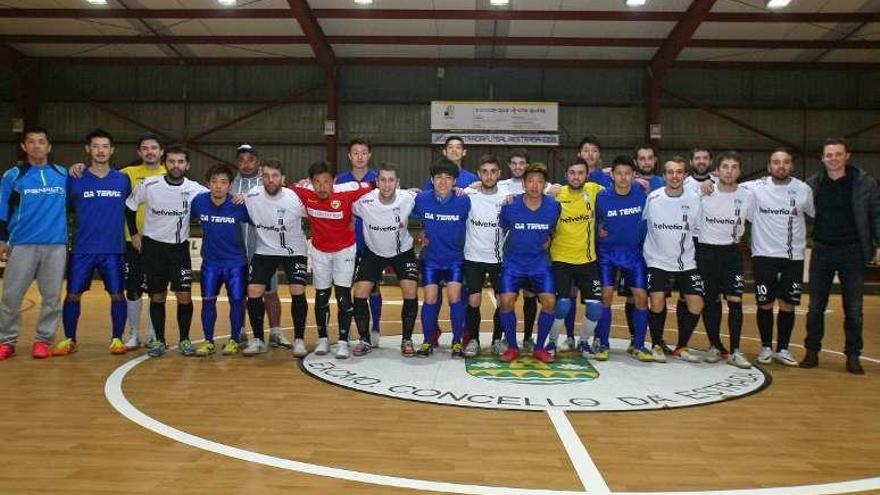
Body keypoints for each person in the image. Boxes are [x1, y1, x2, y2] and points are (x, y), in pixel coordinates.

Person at [801, 138, 880, 374]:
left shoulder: (864, 182)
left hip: (853, 251)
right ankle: (812, 351)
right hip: (822, 250)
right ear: (822, 158)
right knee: (815, 307)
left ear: (847, 156)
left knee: (854, 309)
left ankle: (853, 355)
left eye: (838, 154)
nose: (833, 158)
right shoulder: (813, 184)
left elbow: (876, 214)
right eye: (829, 155)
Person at [53, 129, 130, 357]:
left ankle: (117, 339)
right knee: (73, 294)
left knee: (117, 294)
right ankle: (70, 339)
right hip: (82, 249)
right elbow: (63, 209)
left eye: (105, 146)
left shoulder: (122, 180)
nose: (100, 151)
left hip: (113, 250)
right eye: (95, 146)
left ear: (112, 150)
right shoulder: (74, 178)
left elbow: (133, 208)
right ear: (88, 149)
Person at [125, 146, 208, 358]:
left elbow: (218, 196)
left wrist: (240, 198)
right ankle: (159, 341)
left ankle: (184, 339)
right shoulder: (150, 185)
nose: (176, 165)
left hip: (179, 249)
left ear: (187, 165)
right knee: (158, 296)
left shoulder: (195, 188)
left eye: (180, 162)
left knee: (184, 296)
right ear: (166, 163)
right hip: (154, 248)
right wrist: (134, 234)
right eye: (171, 161)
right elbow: (130, 207)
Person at [739, 149, 814, 366]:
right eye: (776, 162)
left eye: (786, 162)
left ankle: (782, 348)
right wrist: (707, 184)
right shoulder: (755, 188)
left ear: (792, 165)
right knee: (765, 303)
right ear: (769, 166)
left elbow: (816, 213)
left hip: (793, 257)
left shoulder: (803, 190)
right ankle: (765, 347)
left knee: (788, 304)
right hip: (764, 256)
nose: (781, 166)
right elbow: (727, 185)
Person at [291, 161, 372, 359]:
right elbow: (283, 188)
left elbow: (375, 185)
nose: (321, 187)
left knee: (343, 296)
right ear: (310, 182)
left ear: (333, 181)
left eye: (326, 182)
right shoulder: (303, 190)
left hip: (344, 250)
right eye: (316, 182)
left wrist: (408, 191)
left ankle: (343, 342)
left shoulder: (347, 190)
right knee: (321, 296)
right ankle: (323, 339)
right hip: (319, 251)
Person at [0, 127, 68, 360]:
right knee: (11, 296)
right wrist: (1, 240)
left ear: (49, 147)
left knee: (52, 298)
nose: (37, 146)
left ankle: (43, 340)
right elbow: (2, 209)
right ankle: (6, 341)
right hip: (21, 244)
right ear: (24, 147)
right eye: (32, 142)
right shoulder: (13, 176)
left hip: (55, 246)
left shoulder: (62, 174)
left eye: (41, 142)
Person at [351, 163, 420, 356]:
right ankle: (365, 339)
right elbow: (342, 205)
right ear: (376, 182)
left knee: (410, 290)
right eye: (383, 180)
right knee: (360, 292)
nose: (387, 184)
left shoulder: (408, 198)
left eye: (391, 180)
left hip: (402, 251)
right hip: (374, 252)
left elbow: (435, 197)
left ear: (398, 183)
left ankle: (406, 340)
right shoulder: (364, 202)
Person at [496, 163, 560, 363]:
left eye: (540, 181)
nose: (535, 185)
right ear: (523, 184)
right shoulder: (510, 206)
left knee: (550, 302)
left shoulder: (554, 207)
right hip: (513, 262)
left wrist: (549, 236)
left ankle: (539, 347)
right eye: (530, 181)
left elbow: (553, 229)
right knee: (505, 301)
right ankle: (513, 347)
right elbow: (504, 227)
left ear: (544, 185)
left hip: (539, 263)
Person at [243, 160, 308, 356]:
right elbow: (237, 202)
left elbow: (317, 210)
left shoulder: (295, 198)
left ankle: (299, 340)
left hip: (294, 251)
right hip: (265, 250)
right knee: (253, 290)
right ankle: (257, 340)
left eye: (275, 176)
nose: (271, 180)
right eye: (267, 176)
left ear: (283, 178)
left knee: (297, 289)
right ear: (262, 177)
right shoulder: (252, 195)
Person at [642, 157, 704, 363]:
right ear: (664, 175)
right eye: (670, 172)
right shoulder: (653, 198)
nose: (675, 176)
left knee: (696, 303)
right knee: (657, 300)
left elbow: (697, 231)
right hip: (657, 260)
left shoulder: (695, 200)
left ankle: (681, 346)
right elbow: (643, 225)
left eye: (679, 172)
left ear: (685, 176)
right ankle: (657, 344)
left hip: (685, 261)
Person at [696, 151, 754, 369]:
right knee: (710, 301)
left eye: (734, 167)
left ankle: (736, 350)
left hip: (731, 253)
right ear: (717, 171)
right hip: (707, 252)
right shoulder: (703, 192)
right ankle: (714, 346)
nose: (729, 171)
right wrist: (704, 185)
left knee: (735, 300)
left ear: (739, 171)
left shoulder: (748, 195)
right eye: (725, 167)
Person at [545, 158, 604, 358]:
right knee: (562, 304)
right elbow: (530, 196)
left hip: (588, 260)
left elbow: (620, 188)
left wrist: (639, 181)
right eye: (572, 172)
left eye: (580, 172)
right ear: (566, 175)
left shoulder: (594, 189)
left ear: (587, 175)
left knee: (596, 308)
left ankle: (584, 341)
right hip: (561, 259)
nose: (576, 176)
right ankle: (551, 342)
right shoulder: (555, 194)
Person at [189, 164, 251, 357]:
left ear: (230, 185)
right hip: (211, 264)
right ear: (208, 183)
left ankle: (234, 339)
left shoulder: (239, 204)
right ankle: (208, 341)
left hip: (236, 263)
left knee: (237, 302)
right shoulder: (198, 202)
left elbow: (262, 219)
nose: (218, 186)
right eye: (214, 181)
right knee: (208, 302)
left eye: (223, 182)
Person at [594, 155, 651, 362]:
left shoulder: (643, 194)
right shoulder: (601, 197)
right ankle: (602, 343)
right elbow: (595, 222)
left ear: (634, 175)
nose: (623, 178)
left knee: (641, 298)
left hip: (634, 255)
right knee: (606, 297)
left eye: (628, 173)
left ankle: (638, 345)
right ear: (612, 175)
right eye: (619, 173)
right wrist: (599, 229)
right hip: (608, 255)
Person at [412, 158, 471, 357]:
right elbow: (404, 216)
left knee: (455, 298)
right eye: (438, 177)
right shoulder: (421, 200)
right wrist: (418, 235)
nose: (443, 181)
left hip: (455, 259)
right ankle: (428, 341)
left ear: (455, 181)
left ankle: (456, 342)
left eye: (448, 178)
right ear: (432, 179)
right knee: (430, 299)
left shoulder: (464, 200)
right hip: (431, 260)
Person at [232, 144, 289, 349]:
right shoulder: (229, 184)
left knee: (270, 292)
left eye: (251, 160)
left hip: (264, 250)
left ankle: (275, 332)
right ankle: (238, 331)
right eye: (242, 160)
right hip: (236, 252)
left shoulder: (268, 183)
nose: (246, 164)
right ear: (237, 163)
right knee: (238, 293)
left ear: (258, 161)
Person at [337, 138, 383, 348]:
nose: (359, 156)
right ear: (349, 156)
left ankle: (375, 328)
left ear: (369, 155)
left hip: (372, 243)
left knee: (373, 288)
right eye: (355, 152)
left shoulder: (378, 179)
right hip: (346, 243)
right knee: (345, 288)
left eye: (363, 152)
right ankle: (345, 333)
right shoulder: (340, 180)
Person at [121, 133, 165, 350]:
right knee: (133, 287)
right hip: (132, 241)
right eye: (145, 148)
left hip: (159, 243)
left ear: (161, 152)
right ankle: (133, 333)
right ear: (139, 152)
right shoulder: (127, 174)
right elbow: (100, 176)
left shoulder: (169, 173)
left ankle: (154, 332)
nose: (150, 151)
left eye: (154, 148)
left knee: (157, 289)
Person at [462, 154, 507, 357]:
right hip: (473, 256)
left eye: (493, 171)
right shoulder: (468, 194)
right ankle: (473, 340)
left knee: (502, 300)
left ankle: (498, 340)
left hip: (499, 258)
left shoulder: (508, 197)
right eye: (485, 172)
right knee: (473, 300)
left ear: (499, 174)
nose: (489, 176)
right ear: (479, 174)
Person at [498, 149, 539, 351]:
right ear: (508, 165)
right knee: (508, 298)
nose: (517, 167)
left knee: (530, 297)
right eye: (513, 163)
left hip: (533, 255)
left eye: (521, 163)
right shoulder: (500, 186)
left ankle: (528, 337)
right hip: (511, 254)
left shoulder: (541, 185)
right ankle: (507, 337)